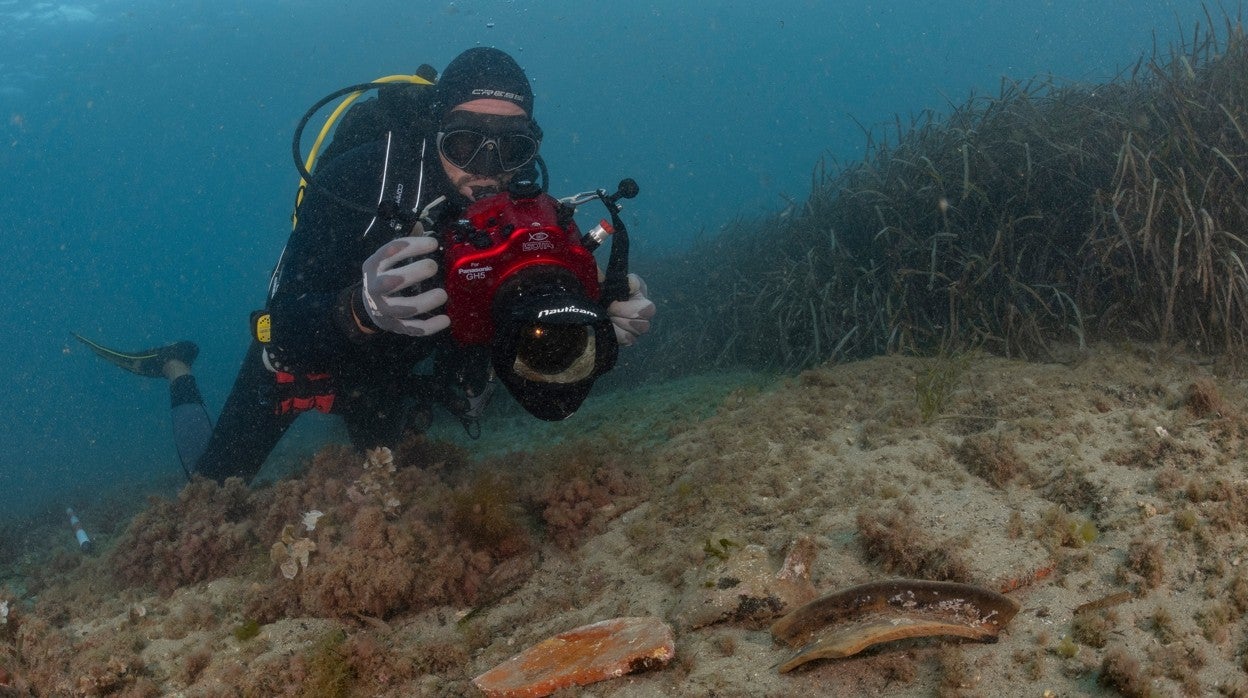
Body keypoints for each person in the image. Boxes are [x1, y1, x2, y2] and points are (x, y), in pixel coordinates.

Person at [76, 47, 655, 484]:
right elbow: (283, 323)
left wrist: (591, 320)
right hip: (301, 360)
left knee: (399, 491)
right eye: (464, 143)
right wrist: (358, 308)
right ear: (433, 134)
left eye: (512, 149)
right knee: (212, 485)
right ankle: (178, 368)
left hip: (387, 379)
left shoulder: (532, 212)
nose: (488, 169)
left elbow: (534, 370)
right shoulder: (360, 179)